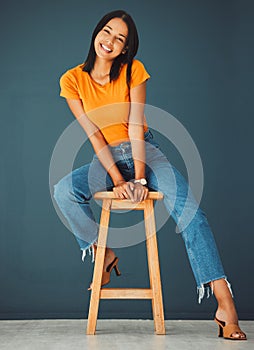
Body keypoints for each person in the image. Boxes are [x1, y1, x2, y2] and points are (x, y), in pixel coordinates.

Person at [54, 10, 246, 340]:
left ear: (126, 49)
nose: (110, 41)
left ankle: (224, 303)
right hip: (107, 158)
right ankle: (105, 253)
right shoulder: (72, 80)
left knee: (192, 215)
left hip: (144, 152)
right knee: (63, 191)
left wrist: (139, 179)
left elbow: (133, 126)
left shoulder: (133, 72)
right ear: (97, 32)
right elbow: (94, 135)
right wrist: (117, 179)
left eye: (120, 39)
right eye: (107, 31)